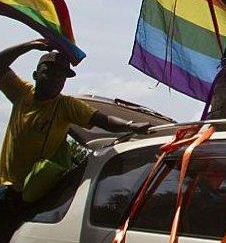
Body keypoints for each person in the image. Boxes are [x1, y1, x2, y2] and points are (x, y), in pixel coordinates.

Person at [1, 39, 150, 240]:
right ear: (36, 75)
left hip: (36, 194)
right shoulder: (22, 93)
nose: (56, 81)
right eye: (50, 74)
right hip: (6, 188)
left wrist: (129, 126)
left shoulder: (66, 106)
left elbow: (102, 120)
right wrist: (30, 45)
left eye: (61, 77)